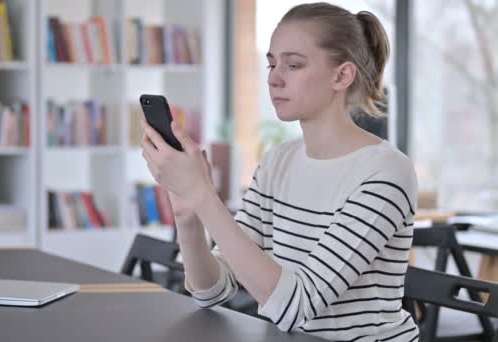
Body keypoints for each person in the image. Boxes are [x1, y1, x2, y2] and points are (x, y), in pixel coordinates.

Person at [140, 2, 419, 341]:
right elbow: (213, 291)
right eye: (272, 63)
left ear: (342, 75)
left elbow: (295, 305)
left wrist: (203, 194)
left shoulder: (385, 172)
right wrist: (189, 218)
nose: (274, 78)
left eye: (294, 65)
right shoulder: (278, 162)